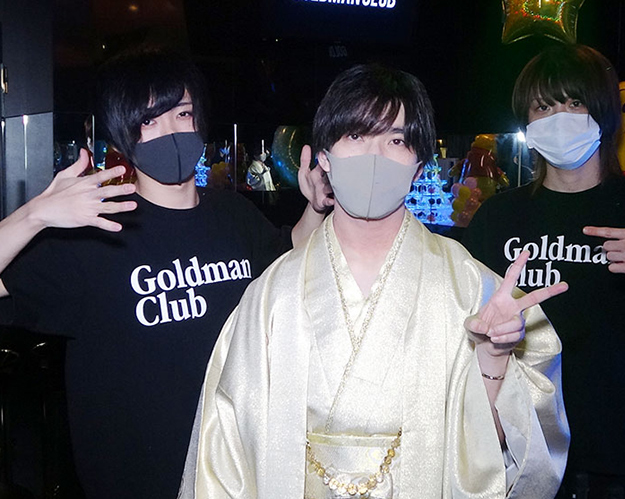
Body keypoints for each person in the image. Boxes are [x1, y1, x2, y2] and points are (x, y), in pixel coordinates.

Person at [180, 64, 570, 498]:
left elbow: (501, 459)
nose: (374, 157)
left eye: (396, 141)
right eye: (355, 136)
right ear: (324, 158)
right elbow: (226, 452)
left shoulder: (469, 287)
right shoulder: (272, 294)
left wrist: (494, 357)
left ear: (420, 166)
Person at [0, 48, 330, 499]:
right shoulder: (97, 230)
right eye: (148, 121)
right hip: (136, 481)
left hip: (233, 474)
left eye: (182, 113)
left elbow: (288, 259)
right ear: (124, 133)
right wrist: (35, 215)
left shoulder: (232, 213)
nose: (171, 131)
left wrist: (315, 207)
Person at [459, 44, 625, 499]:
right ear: (527, 121)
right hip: (512, 445)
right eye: (543, 107)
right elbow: (464, 325)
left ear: (604, 112)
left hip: (610, 455)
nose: (559, 117)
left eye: (575, 102)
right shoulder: (498, 217)